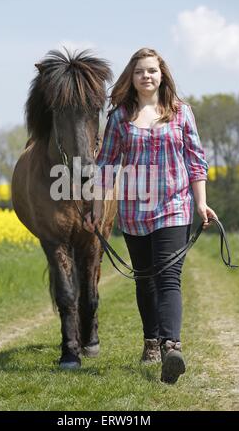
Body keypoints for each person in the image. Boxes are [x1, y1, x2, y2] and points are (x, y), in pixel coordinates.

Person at [83, 47, 218, 384]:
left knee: (169, 277)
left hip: (174, 207)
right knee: (145, 278)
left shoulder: (181, 113)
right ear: (132, 76)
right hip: (133, 210)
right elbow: (105, 166)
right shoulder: (119, 118)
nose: (147, 76)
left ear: (162, 75)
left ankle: (172, 346)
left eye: (153, 71)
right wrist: (97, 209)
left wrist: (201, 203)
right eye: (141, 71)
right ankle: (151, 340)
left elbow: (196, 160)